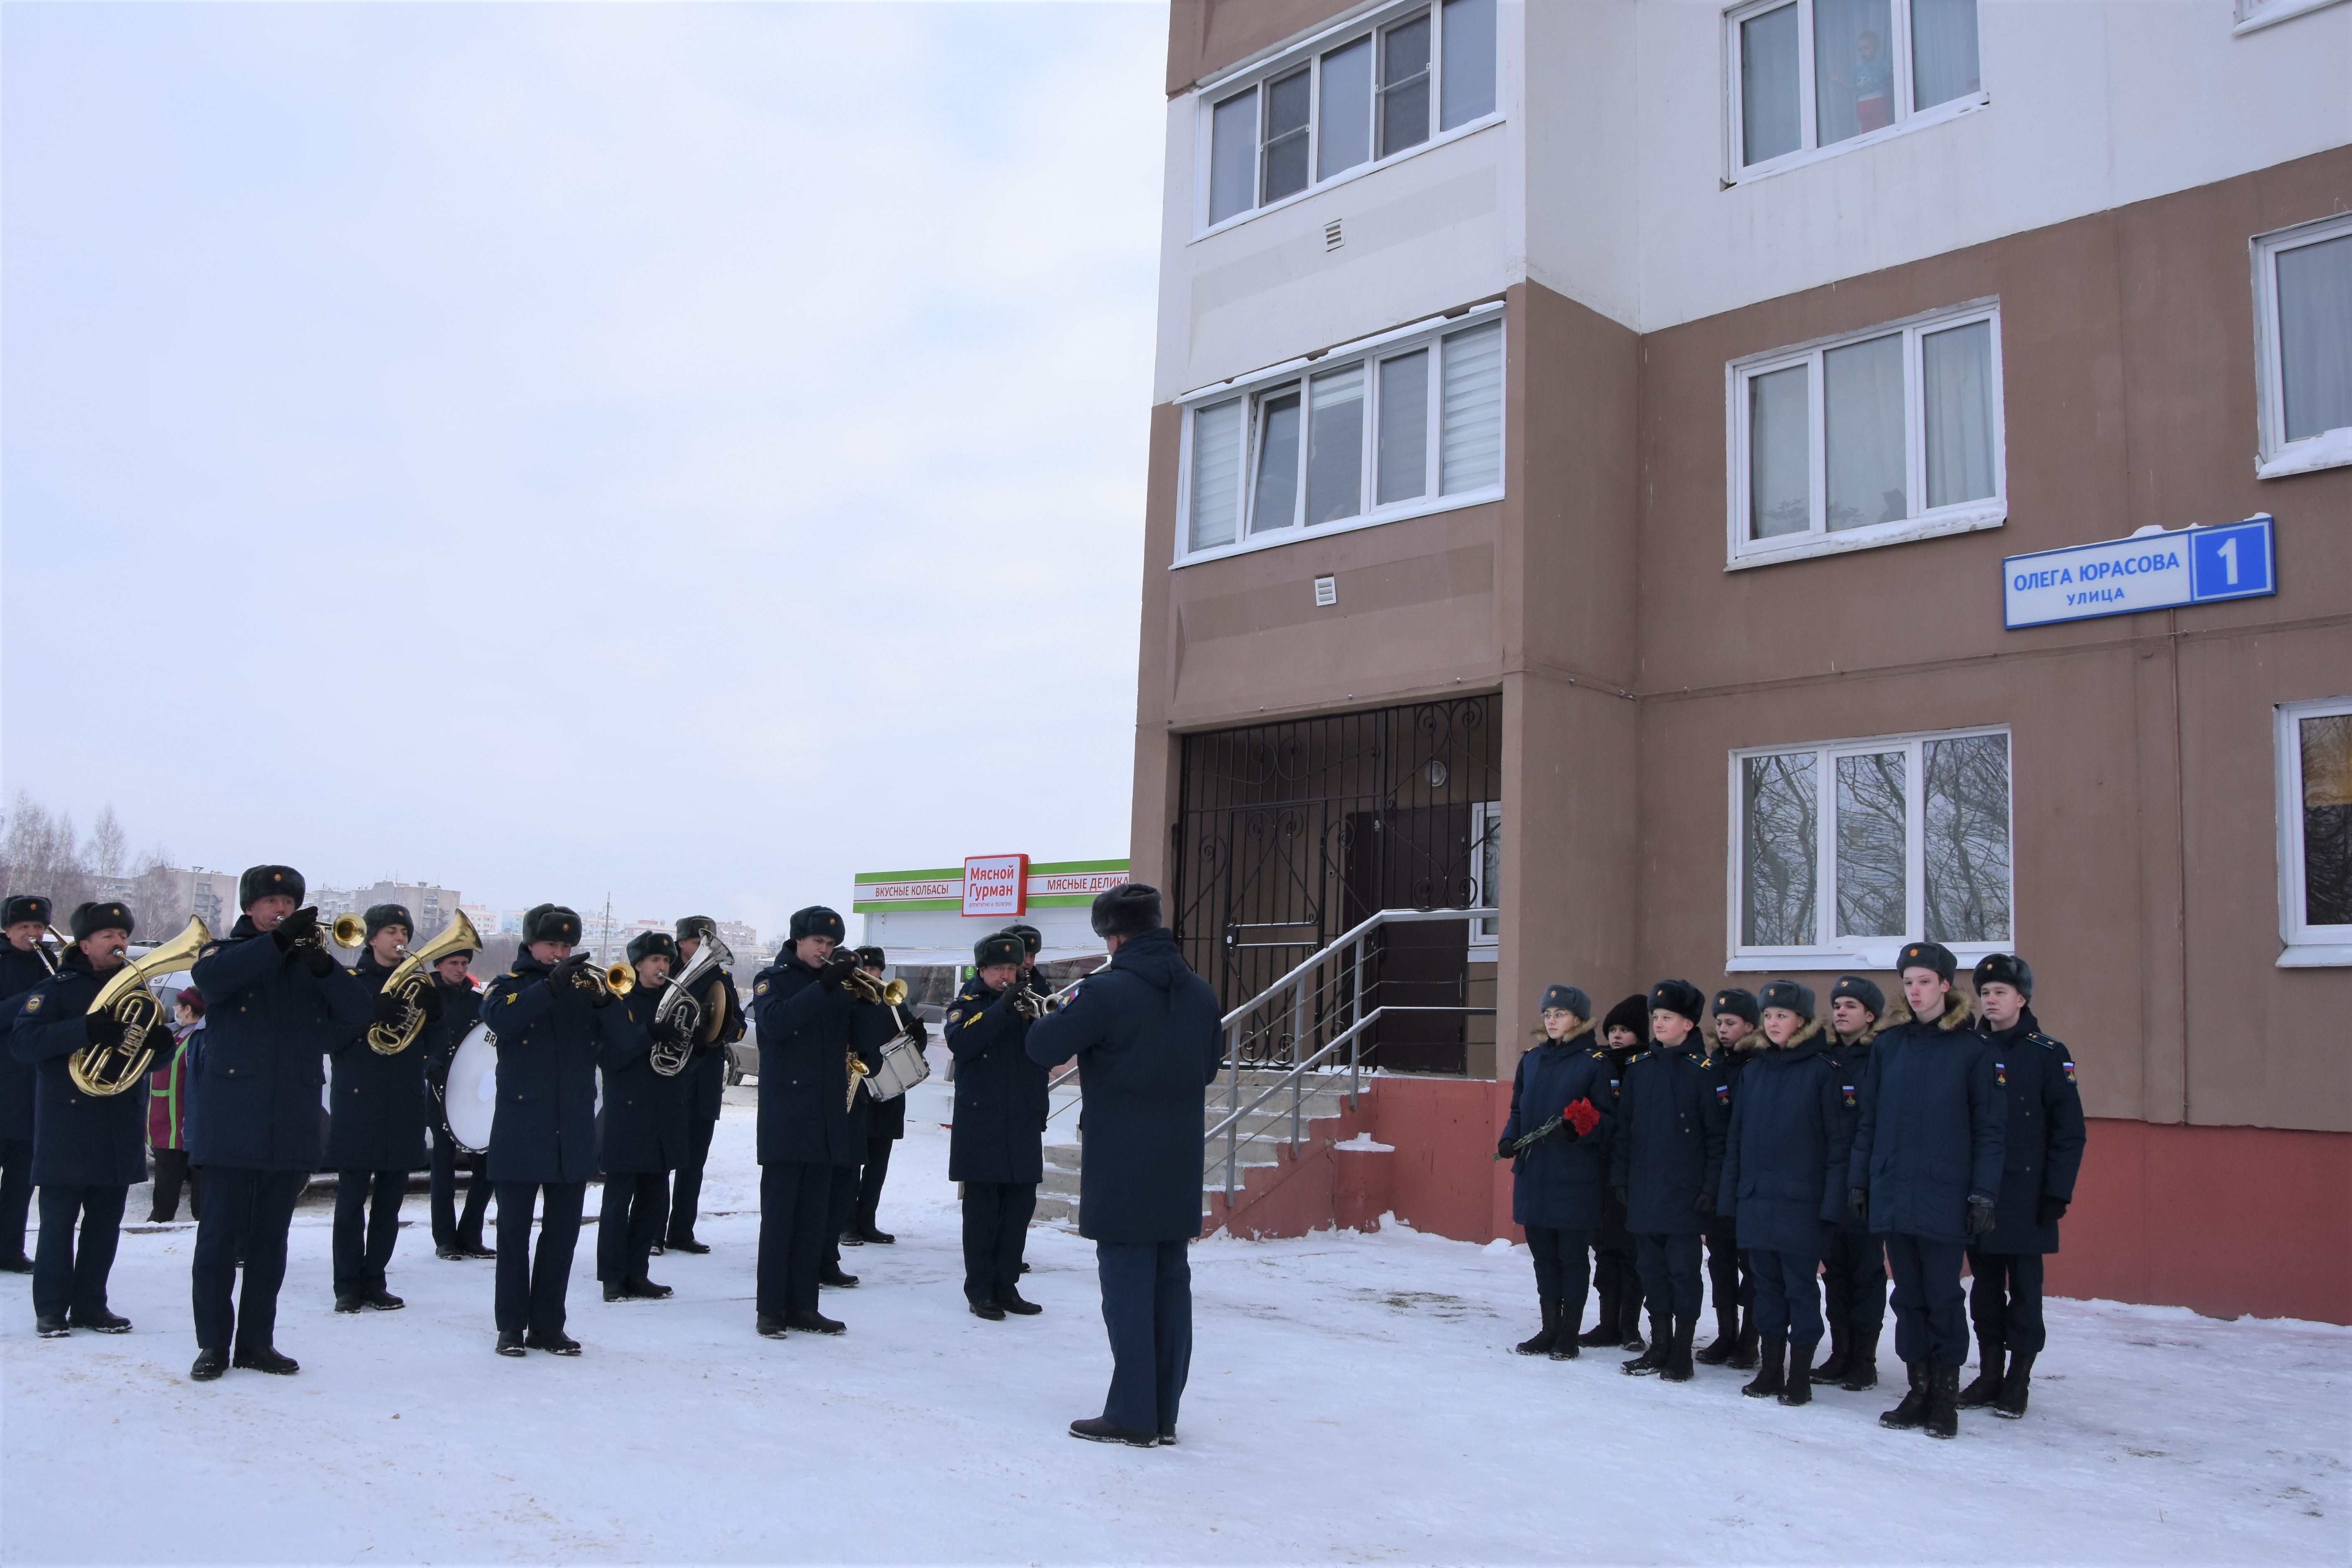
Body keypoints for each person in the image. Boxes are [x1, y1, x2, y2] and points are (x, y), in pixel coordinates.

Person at [1027, 883, 1222, 1448]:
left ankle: (1132, 1413)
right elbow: (1207, 1067)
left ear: (1111, 935)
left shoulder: (1104, 990)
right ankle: (1162, 1412)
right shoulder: (1200, 992)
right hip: (1179, 1156)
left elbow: (1042, 1046)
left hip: (1120, 1158)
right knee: (1170, 1280)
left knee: (1127, 1282)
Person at [187, 865, 370, 1382]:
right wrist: (276, 944)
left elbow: (360, 1010)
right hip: (231, 1120)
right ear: (250, 908)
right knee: (219, 1239)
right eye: (269, 900)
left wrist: (322, 964)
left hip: (290, 1116)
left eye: (287, 901)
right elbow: (212, 980)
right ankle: (213, 1345)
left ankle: (256, 1342)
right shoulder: (223, 952)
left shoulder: (308, 963)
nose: (280, 909)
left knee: (271, 1240)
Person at [1847, 940, 2004, 1439]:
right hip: (1893, 1189)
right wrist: (1860, 1179)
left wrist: (1982, 1191)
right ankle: (1916, 1388)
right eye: (1908, 982)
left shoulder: (1973, 1050)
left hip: (1944, 1192)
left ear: (1944, 984)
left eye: (1923, 981)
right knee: (1907, 1298)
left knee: (1941, 1297)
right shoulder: (1888, 1046)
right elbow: (1868, 1121)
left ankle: (1944, 1396)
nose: (1914, 991)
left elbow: (1989, 1129)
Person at [480, 904, 628, 1357]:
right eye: (552, 945)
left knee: (562, 1235)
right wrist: (549, 987)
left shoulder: (588, 992)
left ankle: (548, 1324)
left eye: (567, 946)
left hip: (572, 1130)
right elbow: (500, 1020)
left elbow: (626, 1044)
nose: (560, 952)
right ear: (530, 945)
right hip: (521, 1129)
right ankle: (510, 1325)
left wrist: (607, 1002)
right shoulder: (508, 986)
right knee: (513, 1234)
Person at [8, 902, 149, 1337]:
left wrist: (160, 1043)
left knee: (105, 1224)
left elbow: (148, 1056)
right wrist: (85, 1029)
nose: (119, 941)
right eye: (108, 935)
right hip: (67, 1125)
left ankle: (91, 1304)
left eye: (123, 934)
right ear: (84, 943)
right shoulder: (56, 988)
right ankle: (51, 1308)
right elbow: (25, 1043)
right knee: (57, 1223)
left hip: (118, 1122)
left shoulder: (136, 992)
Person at [1957, 953, 2085, 1420]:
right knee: (1984, 1289)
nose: (1990, 1000)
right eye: (1985, 992)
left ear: (2021, 998)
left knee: (2025, 1292)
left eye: (1999, 992)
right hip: (1977, 1192)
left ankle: (2018, 1379)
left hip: (2028, 1195)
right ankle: (1989, 1373)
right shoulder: (1969, 1048)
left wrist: (2057, 1191)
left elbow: (2068, 1131)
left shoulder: (2047, 1053)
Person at [1717, 980, 1851, 1405]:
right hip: (1757, 1200)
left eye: (1782, 1015)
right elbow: (1735, 1142)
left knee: (1800, 1289)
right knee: (1765, 1288)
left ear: (1802, 1021)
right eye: (1769, 1015)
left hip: (1802, 1204)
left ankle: (1799, 1374)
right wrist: (1729, 1200)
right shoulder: (1753, 1071)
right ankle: (1770, 1369)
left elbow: (1837, 1147)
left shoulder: (1823, 1071)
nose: (1773, 1022)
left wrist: (1831, 1206)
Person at [748, 906, 872, 1339]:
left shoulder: (838, 986)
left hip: (826, 1116)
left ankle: (804, 1305)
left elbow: (863, 1042)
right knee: (780, 1219)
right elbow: (776, 1024)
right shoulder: (772, 980)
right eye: (819, 941)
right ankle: (770, 1309)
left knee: (814, 1220)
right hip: (786, 1118)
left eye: (831, 944)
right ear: (798, 940)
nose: (825, 949)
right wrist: (825, 985)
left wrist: (870, 1000)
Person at [1610, 979, 1727, 1383]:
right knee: (1650, 1271)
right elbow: (1624, 1131)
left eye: (1667, 1017)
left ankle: (1681, 1350)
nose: (1658, 1023)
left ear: (1689, 1024)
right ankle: (1657, 1344)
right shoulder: (1638, 1069)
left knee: (1683, 1272)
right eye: (1655, 1017)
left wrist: (1710, 1188)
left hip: (1685, 1195)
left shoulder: (1704, 1073)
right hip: (1645, 1190)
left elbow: (1717, 1139)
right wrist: (1620, 1178)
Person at [327, 903, 440, 1314]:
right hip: (359, 1101)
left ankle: (376, 1278)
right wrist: (367, 1013)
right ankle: (346, 1284)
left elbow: (436, 1046)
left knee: (390, 1202)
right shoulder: (351, 982)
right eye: (391, 930)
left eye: (404, 931)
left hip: (404, 1103)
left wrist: (436, 1012)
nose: (400, 939)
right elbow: (329, 1036)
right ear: (371, 937)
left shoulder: (418, 982)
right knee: (351, 1199)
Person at [1498, 984, 1614, 1359]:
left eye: (1560, 1014)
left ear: (1578, 1020)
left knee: (1572, 1256)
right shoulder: (1531, 1060)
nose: (1552, 1021)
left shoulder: (1595, 1062)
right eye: (1548, 1014)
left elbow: (1610, 1119)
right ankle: (1548, 1327)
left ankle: (1569, 1332)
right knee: (1543, 1255)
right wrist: (1509, 1138)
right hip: (1535, 1173)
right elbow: (1518, 1109)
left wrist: (1580, 1128)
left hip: (1574, 1176)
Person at [945, 933, 1051, 1321]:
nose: (1007, 975)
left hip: (1023, 1119)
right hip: (982, 1123)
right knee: (982, 1215)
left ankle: (1007, 1286)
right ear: (982, 970)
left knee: (1019, 1211)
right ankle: (980, 1290)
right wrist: (1003, 1008)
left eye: (1013, 968)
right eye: (999, 969)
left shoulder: (1031, 1003)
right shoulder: (965, 1005)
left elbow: (1050, 1051)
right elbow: (963, 1044)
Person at [598, 931, 694, 1303]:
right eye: (655, 960)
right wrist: (649, 1034)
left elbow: (686, 1061)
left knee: (655, 1200)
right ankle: (611, 1276)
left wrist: (697, 1040)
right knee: (618, 1200)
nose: (663, 967)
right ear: (638, 965)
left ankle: (638, 1272)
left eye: (667, 961)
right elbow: (611, 1058)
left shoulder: (677, 1004)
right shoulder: (616, 1001)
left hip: (666, 1112)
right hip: (628, 1113)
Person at [1813, 974, 1891, 1390]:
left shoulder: (1879, 1057)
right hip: (1826, 1178)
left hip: (1864, 1180)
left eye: (1850, 1006)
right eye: (1837, 1004)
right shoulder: (1822, 1058)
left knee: (1864, 1269)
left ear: (1869, 1015)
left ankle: (1863, 1357)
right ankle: (1839, 1351)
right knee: (1835, 1269)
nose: (1840, 1011)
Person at [665, 915, 743, 1256]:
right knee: (660, 1161)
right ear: (681, 943)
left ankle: (681, 1231)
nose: (701, 949)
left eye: (706, 942)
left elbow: (738, 1026)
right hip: (670, 1079)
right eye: (696, 942)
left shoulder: (720, 978)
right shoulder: (665, 972)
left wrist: (716, 1027)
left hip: (706, 1079)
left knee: (693, 1163)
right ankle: (651, 1233)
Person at [1576, 994, 1649, 1351]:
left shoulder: (1646, 1066)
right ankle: (1607, 1322)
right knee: (1605, 1248)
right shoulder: (1599, 1064)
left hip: (1636, 1173)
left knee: (1632, 1252)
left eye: (1626, 1030)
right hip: (1600, 1171)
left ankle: (1630, 1325)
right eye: (1613, 1029)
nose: (1617, 1036)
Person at [1696, 987, 1761, 1370]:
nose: (1722, 1029)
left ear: (1749, 1026)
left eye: (1730, 1023)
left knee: (1751, 1264)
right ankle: (1726, 1332)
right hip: (1717, 1179)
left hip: (1749, 1179)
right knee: (1719, 1259)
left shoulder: (1759, 1066)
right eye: (1718, 1023)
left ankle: (1749, 1339)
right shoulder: (1712, 1066)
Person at [844, 945, 922, 1247]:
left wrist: (917, 1034)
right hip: (858, 1090)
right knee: (852, 1162)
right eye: (868, 967)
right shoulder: (848, 999)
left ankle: (867, 1220)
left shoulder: (892, 1002)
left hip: (888, 1092)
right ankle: (846, 1222)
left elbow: (911, 1044)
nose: (873, 974)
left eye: (877, 968)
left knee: (879, 1163)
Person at [425, 947, 493, 1259]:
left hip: (476, 1093)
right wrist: (431, 1064)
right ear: (439, 966)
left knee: (486, 1168)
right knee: (443, 1169)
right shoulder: (428, 997)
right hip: (441, 1092)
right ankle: (445, 1239)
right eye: (453, 963)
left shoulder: (478, 1001)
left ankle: (470, 1235)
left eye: (464, 963)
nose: (460, 968)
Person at [0, 895, 57, 1271]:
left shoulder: (50, 963)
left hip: (31, 1088)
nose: (33, 934)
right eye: (25, 928)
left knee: (22, 1179)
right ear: (7, 929)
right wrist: (36, 999)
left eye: (39, 927)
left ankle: (9, 1249)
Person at [147, 989, 204, 1223]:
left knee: (200, 1194)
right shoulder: (174, 1035)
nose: (175, 1010)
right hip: (164, 1127)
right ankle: (158, 1224)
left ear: (188, 1009)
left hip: (185, 1127)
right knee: (164, 1190)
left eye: (178, 1006)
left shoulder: (199, 1038)